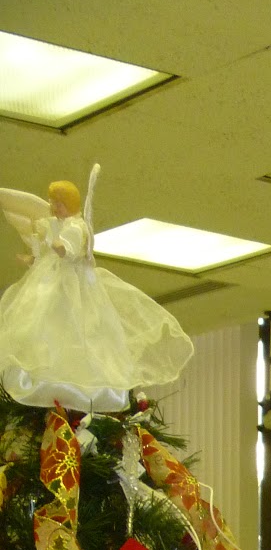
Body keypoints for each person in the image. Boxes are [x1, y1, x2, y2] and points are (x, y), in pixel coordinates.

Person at [0, 167, 192, 411]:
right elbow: (44, 245)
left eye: (57, 203)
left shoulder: (76, 227)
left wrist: (60, 246)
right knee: (42, 319)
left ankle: (76, 378)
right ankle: (46, 368)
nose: (53, 207)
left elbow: (69, 248)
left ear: (67, 204)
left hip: (73, 281)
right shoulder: (52, 223)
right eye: (52, 203)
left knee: (80, 324)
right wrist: (35, 255)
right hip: (49, 279)